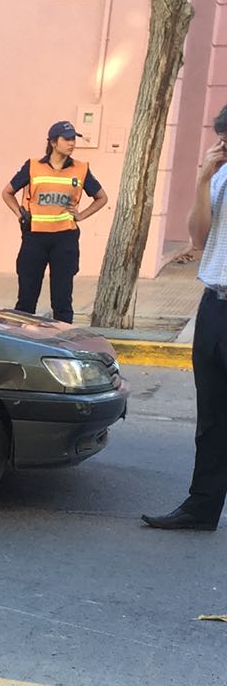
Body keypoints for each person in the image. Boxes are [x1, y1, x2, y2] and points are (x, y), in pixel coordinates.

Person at [142, 107, 227, 532]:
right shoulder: (220, 177)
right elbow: (198, 236)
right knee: (212, 416)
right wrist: (202, 180)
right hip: (214, 305)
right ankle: (201, 507)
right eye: (222, 140)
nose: (222, 147)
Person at [2, 120, 107, 323]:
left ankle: (62, 339)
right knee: (26, 298)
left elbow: (102, 197)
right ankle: (21, 337)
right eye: (66, 139)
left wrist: (82, 215)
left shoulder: (80, 169)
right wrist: (19, 214)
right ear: (53, 142)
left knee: (62, 299)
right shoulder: (33, 166)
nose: (72, 143)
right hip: (35, 238)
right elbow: (7, 192)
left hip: (65, 239)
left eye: (73, 139)